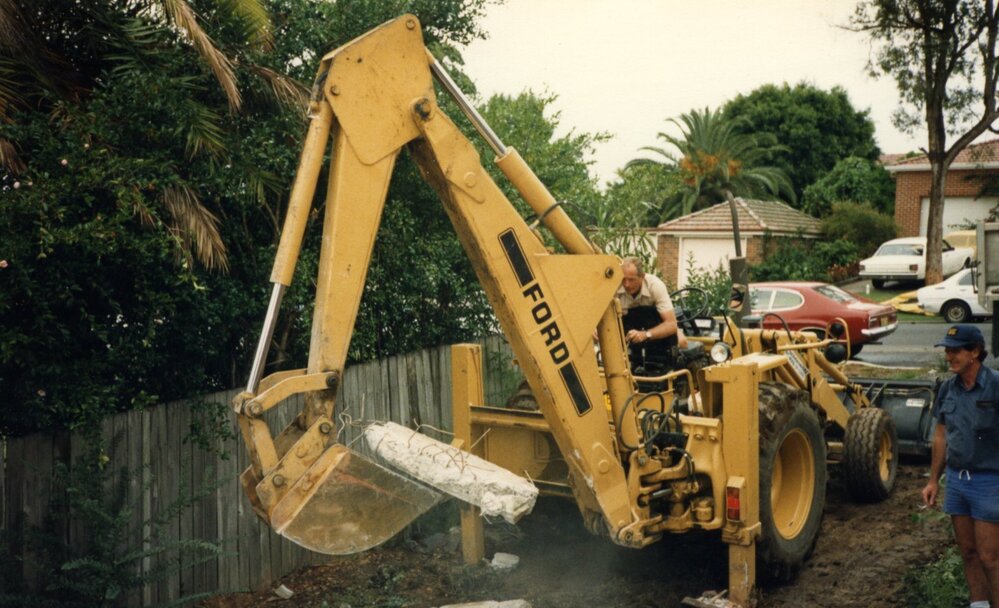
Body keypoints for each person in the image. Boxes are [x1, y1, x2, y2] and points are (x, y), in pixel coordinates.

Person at [921, 324, 999, 608]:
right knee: (968, 552)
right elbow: (941, 436)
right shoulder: (947, 388)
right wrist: (933, 480)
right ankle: (978, 604)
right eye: (947, 350)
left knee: (990, 558)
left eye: (955, 351)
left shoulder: (995, 385)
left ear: (975, 352)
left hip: (990, 481)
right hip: (957, 481)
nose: (948, 356)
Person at [616, 257, 687, 351]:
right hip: (625, 326)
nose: (626, 285)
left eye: (631, 280)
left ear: (642, 277)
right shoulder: (614, 287)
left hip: (655, 324)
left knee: (682, 342)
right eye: (623, 279)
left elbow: (671, 324)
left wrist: (645, 334)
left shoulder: (655, 285)